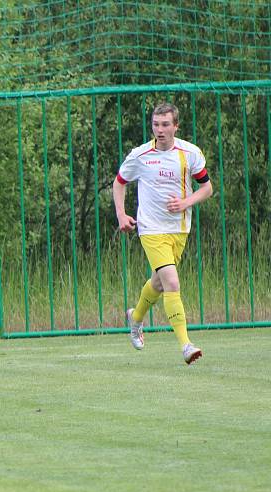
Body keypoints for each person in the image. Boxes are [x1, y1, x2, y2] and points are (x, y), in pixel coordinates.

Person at [113, 102, 213, 365]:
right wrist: (122, 215)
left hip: (179, 229)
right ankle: (186, 345)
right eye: (156, 124)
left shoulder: (189, 153)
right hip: (151, 229)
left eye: (165, 124)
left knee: (158, 282)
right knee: (171, 281)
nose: (160, 129)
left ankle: (135, 319)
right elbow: (119, 182)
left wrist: (185, 203)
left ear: (175, 126)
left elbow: (207, 188)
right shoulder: (140, 155)